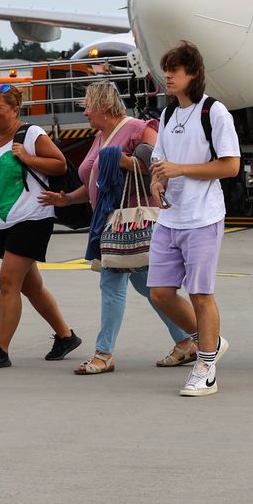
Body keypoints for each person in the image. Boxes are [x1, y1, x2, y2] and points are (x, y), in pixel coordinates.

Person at [38, 82, 195, 375]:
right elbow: (94, 184)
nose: (84, 111)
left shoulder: (136, 128)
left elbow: (159, 165)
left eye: (88, 105)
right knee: (149, 287)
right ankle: (189, 339)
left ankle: (104, 353)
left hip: (133, 222)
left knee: (112, 285)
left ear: (104, 105)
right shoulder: (99, 137)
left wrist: (121, 160)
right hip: (110, 224)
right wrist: (67, 198)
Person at [0, 83, 81, 369]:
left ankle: (1, 349)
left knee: (7, 282)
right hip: (4, 222)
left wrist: (27, 156)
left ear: (15, 109)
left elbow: (60, 165)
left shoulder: (31, 134)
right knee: (31, 287)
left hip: (33, 218)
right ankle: (66, 336)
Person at [147, 41, 242, 397]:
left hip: (202, 216)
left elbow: (231, 166)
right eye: (166, 69)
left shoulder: (214, 112)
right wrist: (157, 182)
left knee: (201, 294)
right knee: (159, 293)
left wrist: (181, 169)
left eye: (174, 70)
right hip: (170, 218)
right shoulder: (169, 114)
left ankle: (205, 367)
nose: (167, 75)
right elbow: (159, 162)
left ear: (194, 74)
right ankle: (212, 342)